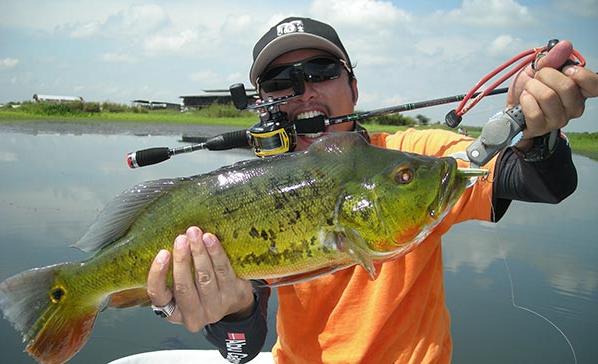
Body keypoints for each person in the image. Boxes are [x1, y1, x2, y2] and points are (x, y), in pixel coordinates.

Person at [146, 17, 598, 363]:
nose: (304, 92)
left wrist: (538, 132)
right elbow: (243, 349)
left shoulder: (412, 156)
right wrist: (231, 312)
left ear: (354, 87)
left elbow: (540, 182)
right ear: (263, 101)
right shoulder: (251, 194)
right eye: (281, 83)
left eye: (321, 71)